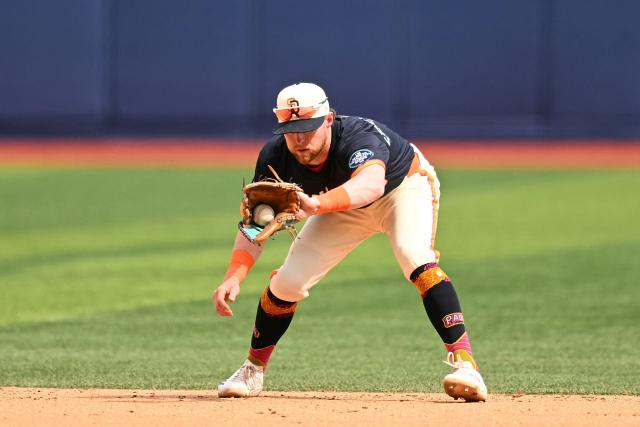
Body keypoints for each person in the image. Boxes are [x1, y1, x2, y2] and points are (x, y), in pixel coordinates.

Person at [213, 82, 488, 402]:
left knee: (414, 256)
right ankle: (253, 369)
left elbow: (371, 186)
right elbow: (255, 224)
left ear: (328, 119)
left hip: (402, 190)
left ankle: (465, 364)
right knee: (288, 283)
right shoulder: (276, 158)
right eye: (291, 130)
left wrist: (319, 205)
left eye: (307, 128)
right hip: (339, 206)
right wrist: (235, 275)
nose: (300, 140)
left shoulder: (359, 138)